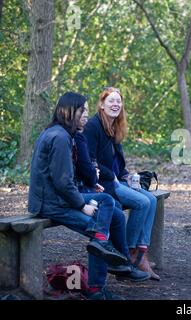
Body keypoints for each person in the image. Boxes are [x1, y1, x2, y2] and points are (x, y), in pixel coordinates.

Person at [28, 92, 128, 299]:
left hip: (60, 197)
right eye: (83, 110)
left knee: (109, 204)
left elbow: (66, 179)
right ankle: (95, 289)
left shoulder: (64, 134)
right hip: (51, 204)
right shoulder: (59, 137)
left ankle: (116, 255)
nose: (86, 115)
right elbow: (62, 182)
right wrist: (81, 205)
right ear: (70, 111)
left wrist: (88, 191)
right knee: (101, 229)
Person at [83, 87, 160, 280]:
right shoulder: (93, 126)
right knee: (142, 203)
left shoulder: (114, 126)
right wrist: (113, 176)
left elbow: (116, 162)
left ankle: (140, 252)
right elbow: (89, 160)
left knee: (151, 198)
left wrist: (126, 174)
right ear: (101, 104)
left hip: (117, 180)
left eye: (119, 101)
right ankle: (127, 252)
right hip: (103, 183)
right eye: (111, 101)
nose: (116, 104)